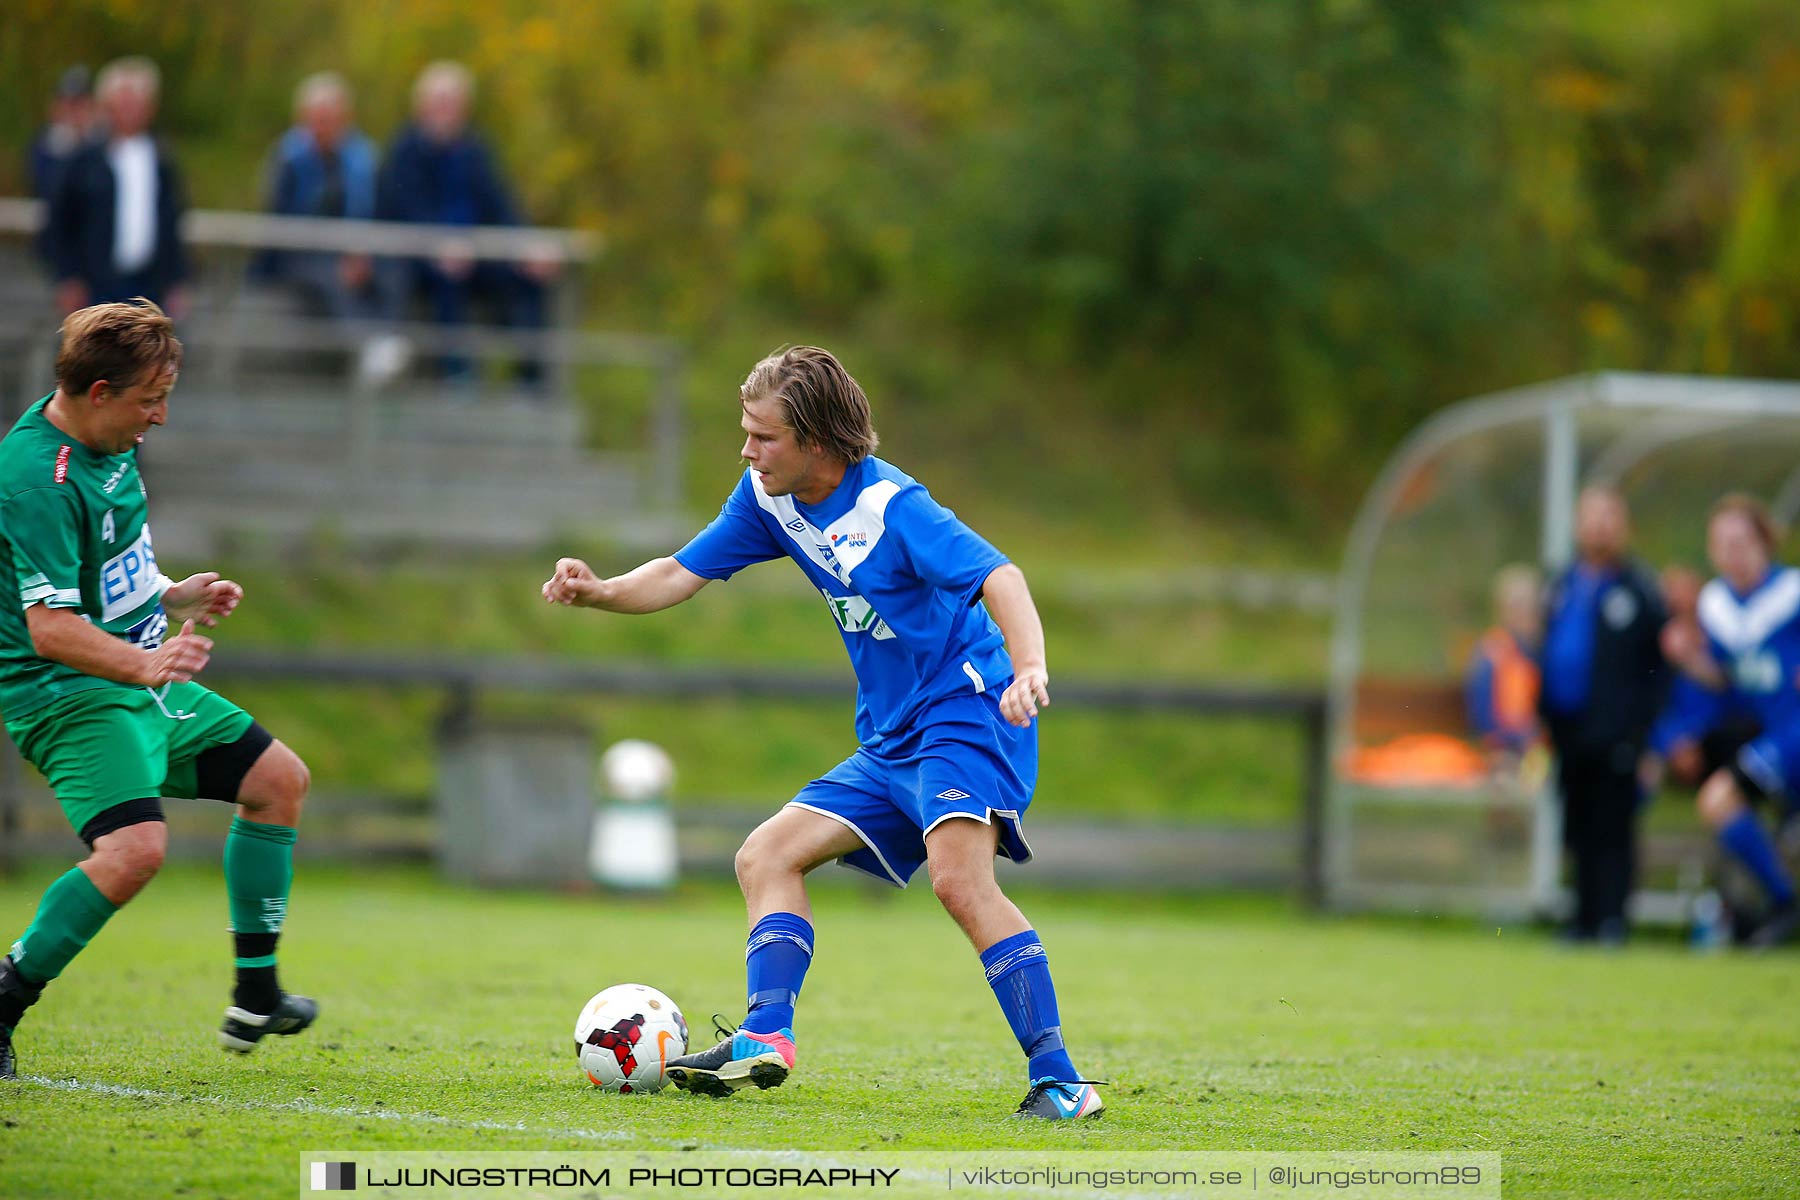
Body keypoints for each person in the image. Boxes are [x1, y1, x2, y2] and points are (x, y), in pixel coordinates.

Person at [542, 347, 1103, 1120]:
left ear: (818, 441)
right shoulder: (768, 500)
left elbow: (1000, 576)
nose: (747, 450)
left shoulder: (893, 509)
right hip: (891, 734)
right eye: (745, 432)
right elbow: (678, 571)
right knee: (765, 854)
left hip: (967, 710)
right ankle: (764, 1039)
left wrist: (1030, 667)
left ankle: (1062, 1081)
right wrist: (601, 591)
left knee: (959, 881)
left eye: (763, 436)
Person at [0, 301, 316, 1082]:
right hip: (69, 694)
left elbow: (109, 568)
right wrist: (147, 664)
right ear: (98, 391)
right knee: (136, 851)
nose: (161, 417)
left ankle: (255, 992)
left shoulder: (112, 438)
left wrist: (172, 592)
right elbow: (50, 628)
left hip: (139, 678)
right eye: (149, 399)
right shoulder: (35, 479)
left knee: (278, 782)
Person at [1660, 495, 1800, 947]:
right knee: (1718, 802)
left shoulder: (1791, 592)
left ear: (1764, 541)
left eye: (1741, 541)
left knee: (1721, 798)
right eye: (1722, 544)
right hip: (1770, 737)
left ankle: (1784, 902)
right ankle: (1782, 902)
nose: (1732, 553)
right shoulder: (1717, 605)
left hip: (1794, 730)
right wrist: (1689, 659)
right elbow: (1726, 681)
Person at [1539, 487, 1668, 944]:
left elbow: (1658, 670)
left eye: (1609, 516)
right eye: (1592, 516)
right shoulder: (1560, 584)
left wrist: (1650, 738)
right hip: (1568, 731)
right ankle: (1581, 918)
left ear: (1623, 527)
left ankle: (1612, 920)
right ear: (1577, 524)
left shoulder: (1640, 591)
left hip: (1619, 734)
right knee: (1576, 827)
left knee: (1613, 828)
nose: (1600, 526)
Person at [376, 61, 554, 385]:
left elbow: (500, 205)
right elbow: (405, 208)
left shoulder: (475, 150)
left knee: (529, 278)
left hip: (474, 255)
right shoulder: (405, 149)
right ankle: (457, 372)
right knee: (449, 276)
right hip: (418, 260)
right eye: (439, 103)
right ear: (421, 107)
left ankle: (531, 377)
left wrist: (527, 245)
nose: (446, 111)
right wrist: (438, 243)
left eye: (452, 103)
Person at [42, 58, 189, 315]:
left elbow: (172, 221)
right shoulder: (85, 159)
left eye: (136, 104)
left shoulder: (161, 159)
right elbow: (61, 220)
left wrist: (176, 279)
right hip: (95, 283)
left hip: (147, 284)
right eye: (123, 104)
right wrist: (68, 276)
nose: (129, 111)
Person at [259, 71, 389, 323]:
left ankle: (385, 342)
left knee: (392, 272)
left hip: (354, 250)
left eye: (329, 120)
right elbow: (279, 219)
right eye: (317, 120)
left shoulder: (363, 160)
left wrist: (358, 252)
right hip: (298, 253)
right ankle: (369, 343)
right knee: (334, 275)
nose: (322, 128)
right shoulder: (288, 159)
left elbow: (376, 213)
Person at [1465, 563, 1543, 765]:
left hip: (1542, 747)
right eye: (1516, 605)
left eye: (1530, 604)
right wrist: (1501, 743)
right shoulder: (1492, 652)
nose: (1524, 612)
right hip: (1505, 748)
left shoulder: (1545, 651)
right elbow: (1482, 712)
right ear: (1501, 609)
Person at [28, 66, 96, 202]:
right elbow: (44, 187)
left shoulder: (102, 142)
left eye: (79, 105)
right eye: (68, 104)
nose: (73, 112)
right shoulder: (43, 146)